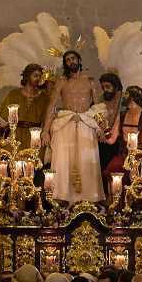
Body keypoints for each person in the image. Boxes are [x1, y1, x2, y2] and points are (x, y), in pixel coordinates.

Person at [40, 51, 106, 202]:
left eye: (73, 58)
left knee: (87, 160)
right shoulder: (62, 82)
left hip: (86, 124)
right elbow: (51, 106)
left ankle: (88, 200)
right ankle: (62, 198)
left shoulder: (90, 81)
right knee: (63, 161)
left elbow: (98, 107)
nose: (71, 62)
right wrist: (45, 131)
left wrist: (101, 128)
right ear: (65, 64)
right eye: (68, 60)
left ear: (79, 60)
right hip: (65, 124)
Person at [100, 85, 142, 181]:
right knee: (113, 175)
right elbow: (111, 140)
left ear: (135, 98)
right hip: (125, 158)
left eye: (127, 95)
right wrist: (104, 128)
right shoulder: (122, 116)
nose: (124, 97)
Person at [0, 63, 52, 147]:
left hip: (35, 138)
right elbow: (1, 114)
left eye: (39, 76)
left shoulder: (44, 98)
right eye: (35, 75)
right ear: (27, 76)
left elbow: (48, 116)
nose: (38, 78)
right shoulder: (14, 94)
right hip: (15, 136)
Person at [96, 72, 124, 178]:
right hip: (100, 138)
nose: (105, 90)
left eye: (108, 87)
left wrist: (110, 133)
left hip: (118, 140)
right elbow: (96, 116)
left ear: (115, 87)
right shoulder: (101, 98)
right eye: (103, 87)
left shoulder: (122, 100)